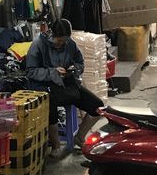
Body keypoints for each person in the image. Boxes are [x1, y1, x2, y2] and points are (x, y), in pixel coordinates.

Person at [25, 19, 104, 159]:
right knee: (50, 107)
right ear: (52, 34)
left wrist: (74, 69)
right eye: (59, 41)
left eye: (64, 41)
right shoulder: (38, 45)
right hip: (45, 85)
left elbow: (80, 62)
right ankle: (56, 145)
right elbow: (30, 71)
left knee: (98, 107)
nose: (61, 44)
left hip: (66, 84)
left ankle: (79, 137)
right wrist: (52, 72)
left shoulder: (70, 44)